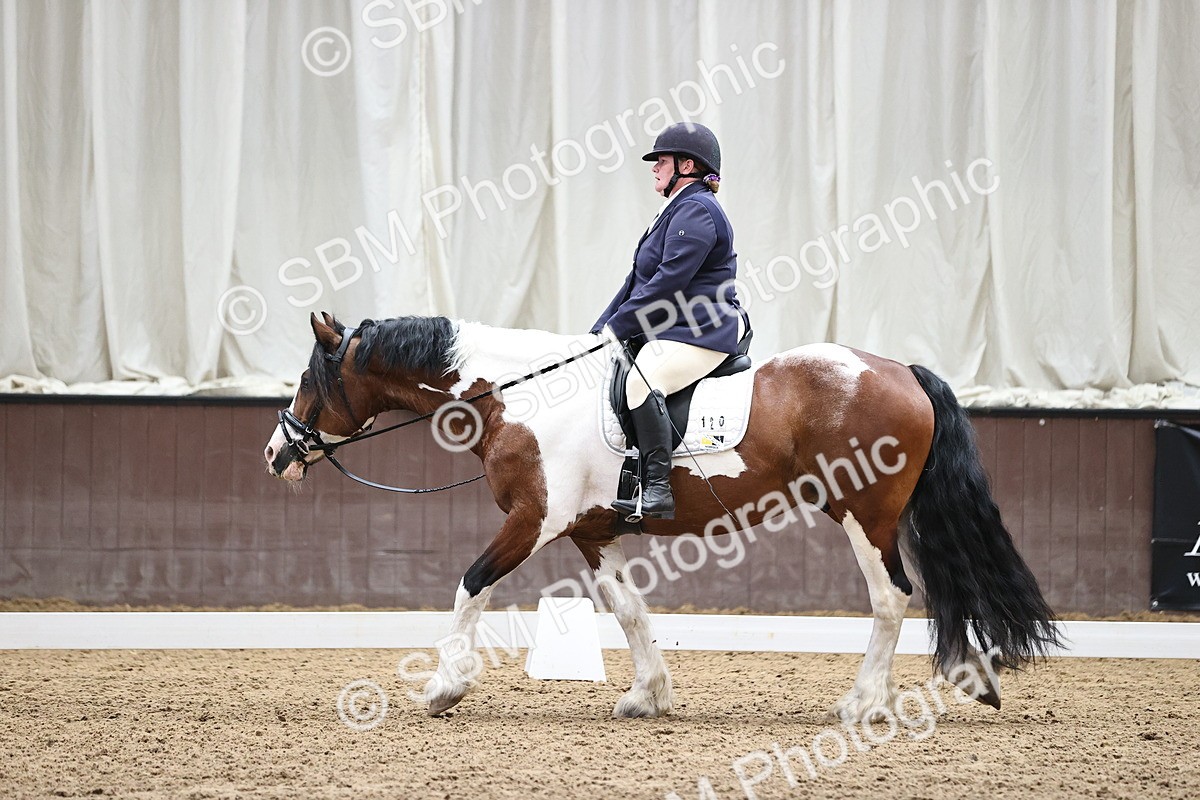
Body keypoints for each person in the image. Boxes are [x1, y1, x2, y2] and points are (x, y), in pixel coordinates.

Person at [591, 122, 746, 520]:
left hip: (700, 333)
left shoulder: (696, 211)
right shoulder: (674, 211)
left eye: (661, 160)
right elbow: (635, 282)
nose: (654, 167)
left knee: (643, 382)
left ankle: (657, 487)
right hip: (675, 330)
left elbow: (667, 284)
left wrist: (620, 328)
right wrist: (600, 330)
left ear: (688, 166)